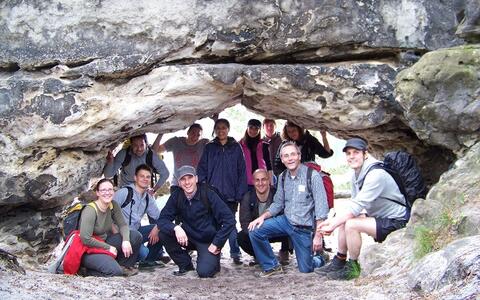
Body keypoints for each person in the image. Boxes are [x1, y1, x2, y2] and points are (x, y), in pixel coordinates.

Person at [316, 138, 408, 280]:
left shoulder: (376, 174)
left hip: (397, 220)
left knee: (352, 224)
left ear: (365, 154)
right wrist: (335, 221)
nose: (351, 156)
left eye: (356, 152)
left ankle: (353, 268)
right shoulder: (356, 174)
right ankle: (339, 261)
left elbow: (356, 207)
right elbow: (353, 204)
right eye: (348, 153)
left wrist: (333, 224)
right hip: (381, 217)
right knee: (345, 219)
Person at [248, 142, 329, 276]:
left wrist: (318, 236)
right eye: (286, 156)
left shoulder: (312, 176)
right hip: (286, 222)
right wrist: (261, 217)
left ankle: (320, 259)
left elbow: (322, 209)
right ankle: (272, 266)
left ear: (299, 155)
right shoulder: (283, 177)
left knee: (306, 268)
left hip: (304, 228)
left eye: (293, 154)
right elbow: (277, 204)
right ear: (282, 159)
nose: (290, 158)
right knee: (255, 230)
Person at [157, 166, 236, 278]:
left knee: (204, 272)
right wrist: (176, 228)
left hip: (207, 240)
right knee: (164, 233)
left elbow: (229, 220)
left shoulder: (208, 193)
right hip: (187, 237)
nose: (187, 182)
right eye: (183, 179)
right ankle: (185, 264)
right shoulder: (176, 196)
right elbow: (162, 220)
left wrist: (217, 243)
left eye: (190, 177)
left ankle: (212, 260)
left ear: (196, 179)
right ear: (179, 183)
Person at [197, 118, 248, 265]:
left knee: (230, 223)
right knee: (213, 223)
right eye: (218, 128)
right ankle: (213, 252)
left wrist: (239, 194)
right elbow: (202, 169)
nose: (221, 130)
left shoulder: (236, 147)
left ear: (228, 129)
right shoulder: (209, 147)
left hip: (231, 194)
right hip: (213, 194)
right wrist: (205, 188)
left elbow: (242, 172)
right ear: (215, 130)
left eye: (224, 127)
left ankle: (235, 252)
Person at [79, 178, 143, 277]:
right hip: (88, 250)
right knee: (114, 272)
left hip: (104, 243)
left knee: (135, 236)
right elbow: (85, 239)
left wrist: (126, 240)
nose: (107, 193)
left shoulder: (113, 205)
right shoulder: (90, 210)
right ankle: (85, 270)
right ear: (98, 193)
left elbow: (123, 225)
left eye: (110, 189)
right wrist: (108, 247)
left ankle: (124, 266)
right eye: (103, 190)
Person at [113, 164, 168, 268]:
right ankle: (139, 257)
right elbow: (108, 212)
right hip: (121, 234)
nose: (145, 179)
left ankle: (149, 261)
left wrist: (157, 228)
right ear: (135, 178)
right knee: (143, 253)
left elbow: (159, 217)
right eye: (142, 176)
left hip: (137, 233)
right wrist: (114, 231)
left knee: (163, 228)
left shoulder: (148, 198)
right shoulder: (124, 193)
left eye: (148, 177)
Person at [237, 169, 290, 265]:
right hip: (257, 232)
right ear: (253, 182)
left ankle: (285, 250)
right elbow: (244, 223)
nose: (260, 183)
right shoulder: (247, 197)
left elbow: (286, 216)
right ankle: (260, 255)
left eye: (263, 179)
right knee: (241, 237)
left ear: (269, 180)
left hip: (276, 230)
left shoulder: (277, 194)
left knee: (290, 227)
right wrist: (256, 233)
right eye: (257, 180)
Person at [103, 134, 169, 194]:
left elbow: (165, 173)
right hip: (126, 189)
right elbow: (108, 175)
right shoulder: (124, 154)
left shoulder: (151, 156)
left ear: (146, 144)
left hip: (143, 191)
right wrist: (110, 162)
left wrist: (154, 190)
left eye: (142, 145)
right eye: (135, 145)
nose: (139, 149)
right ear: (131, 145)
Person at [239, 119, 274, 189]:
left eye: (256, 128)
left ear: (259, 130)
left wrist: (271, 182)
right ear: (247, 128)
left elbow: (269, 165)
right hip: (245, 182)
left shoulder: (264, 145)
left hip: (261, 182)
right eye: (251, 127)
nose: (253, 131)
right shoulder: (239, 145)